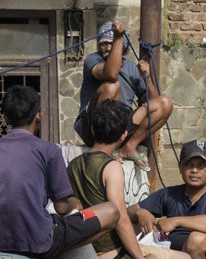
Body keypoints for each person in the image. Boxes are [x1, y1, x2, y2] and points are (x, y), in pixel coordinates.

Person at [0, 85, 118, 259]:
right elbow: (61, 208)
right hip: (40, 242)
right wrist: (74, 203)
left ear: (5, 117)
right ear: (39, 114)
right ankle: (56, 252)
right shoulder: (48, 150)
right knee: (112, 212)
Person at [68, 99, 190, 259]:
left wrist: (138, 213)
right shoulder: (111, 167)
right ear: (123, 135)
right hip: (110, 253)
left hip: (85, 248)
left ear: (92, 129)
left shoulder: (74, 163)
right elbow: (120, 219)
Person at [74, 20, 173, 171]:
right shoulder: (93, 60)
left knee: (165, 103)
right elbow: (111, 74)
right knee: (112, 87)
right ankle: (102, 147)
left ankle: (129, 146)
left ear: (123, 46)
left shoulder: (131, 68)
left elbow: (152, 100)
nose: (107, 47)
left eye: (111, 43)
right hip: (93, 127)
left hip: (121, 126)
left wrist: (147, 78)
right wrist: (118, 37)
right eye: (104, 43)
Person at [132, 140, 206, 259]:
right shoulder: (168, 194)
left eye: (201, 165)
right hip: (176, 256)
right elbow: (125, 213)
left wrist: (176, 221)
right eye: (189, 164)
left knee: (197, 239)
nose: (194, 170)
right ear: (180, 167)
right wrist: (140, 212)